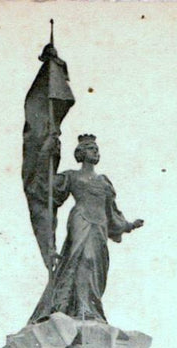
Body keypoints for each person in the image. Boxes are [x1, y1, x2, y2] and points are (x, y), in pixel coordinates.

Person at [28, 134, 143, 322]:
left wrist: (128, 225)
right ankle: (81, 307)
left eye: (97, 149)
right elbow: (48, 188)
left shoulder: (104, 181)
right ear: (80, 153)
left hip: (101, 227)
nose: (96, 152)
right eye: (91, 148)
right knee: (84, 259)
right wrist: (46, 154)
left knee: (96, 265)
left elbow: (111, 212)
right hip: (81, 220)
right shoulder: (72, 176)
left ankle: (91, 307)